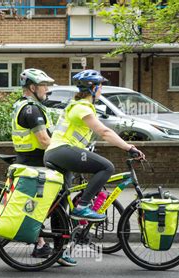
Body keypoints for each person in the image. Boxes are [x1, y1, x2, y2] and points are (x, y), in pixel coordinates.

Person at [44, 69, 145, 222]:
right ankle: (82, 207)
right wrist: (128, 148)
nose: (101, 89)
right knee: (107, 167)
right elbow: (104, 132)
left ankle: (60, 243)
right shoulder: (81, 108)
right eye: (100, 86)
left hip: (58, 152)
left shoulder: (77, 105)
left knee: (62, 199)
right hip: (62, 150)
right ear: (93, 88)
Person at [11, 68, 77, 266]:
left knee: (40, 206)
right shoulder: (32, 109)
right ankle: (59, 249)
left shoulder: (23, 105)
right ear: (32, 87)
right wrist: (67, 152)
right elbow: (43, 140)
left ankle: (41, 244)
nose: (47, 90)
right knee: (58, 204)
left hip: (29, 162)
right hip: (37, 164)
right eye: (43, 86)